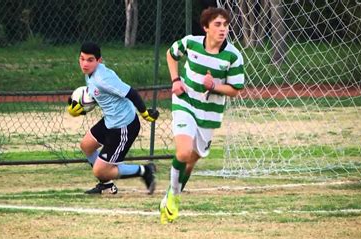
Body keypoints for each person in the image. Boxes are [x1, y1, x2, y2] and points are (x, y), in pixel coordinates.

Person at [160, 7, 244, 223]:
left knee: (191, 162)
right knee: (184, 152)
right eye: (217, 24)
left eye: (225, 25)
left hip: (209, 115)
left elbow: (235, 90)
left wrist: (214, 85)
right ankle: (173, 199)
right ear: (206, 27)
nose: (222, 29)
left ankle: (173, 194)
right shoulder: (191, 42)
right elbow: (171, 54)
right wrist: (176, 81)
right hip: (185, 103)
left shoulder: (233, 56)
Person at [68, 42, 160, 195]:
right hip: (110, 120)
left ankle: (145, 170)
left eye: (90, 60)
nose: (85, 63)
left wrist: (144, 113)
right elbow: (103, 97)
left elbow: (131, 93)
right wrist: (82, 108)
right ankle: (106, 185)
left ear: (99, 61)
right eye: (82, 59)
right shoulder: (90, 74)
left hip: (123, 126)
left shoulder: (103, 78)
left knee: (100, 171)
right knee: (86, 146)